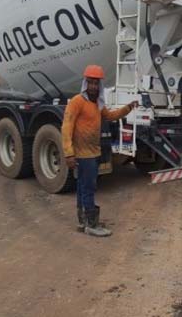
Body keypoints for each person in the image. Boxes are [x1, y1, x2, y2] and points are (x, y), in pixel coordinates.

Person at [62, 65, 138, 237]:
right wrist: (68, 153)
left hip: (93, 151)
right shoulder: (77, 102)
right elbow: (66, 127)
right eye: (90, 83)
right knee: (88, 187)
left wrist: (128, 108)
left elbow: (110, 116)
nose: (94, 87)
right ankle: (92, 224)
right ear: (85, 83)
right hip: (83, 154)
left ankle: (83, 221)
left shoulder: (98, 104)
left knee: (82, 186)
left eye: (96, 83)